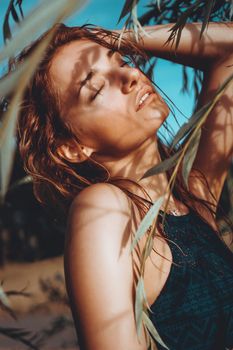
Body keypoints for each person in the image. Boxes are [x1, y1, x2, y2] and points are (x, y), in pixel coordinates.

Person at [14, 21, 233, 349]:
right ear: (73, 147)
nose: (131, 76)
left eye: (121, 61)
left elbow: (229, 49)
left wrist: (123, 36)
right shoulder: (104, 208)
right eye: (97, 88)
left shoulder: (195, 197)